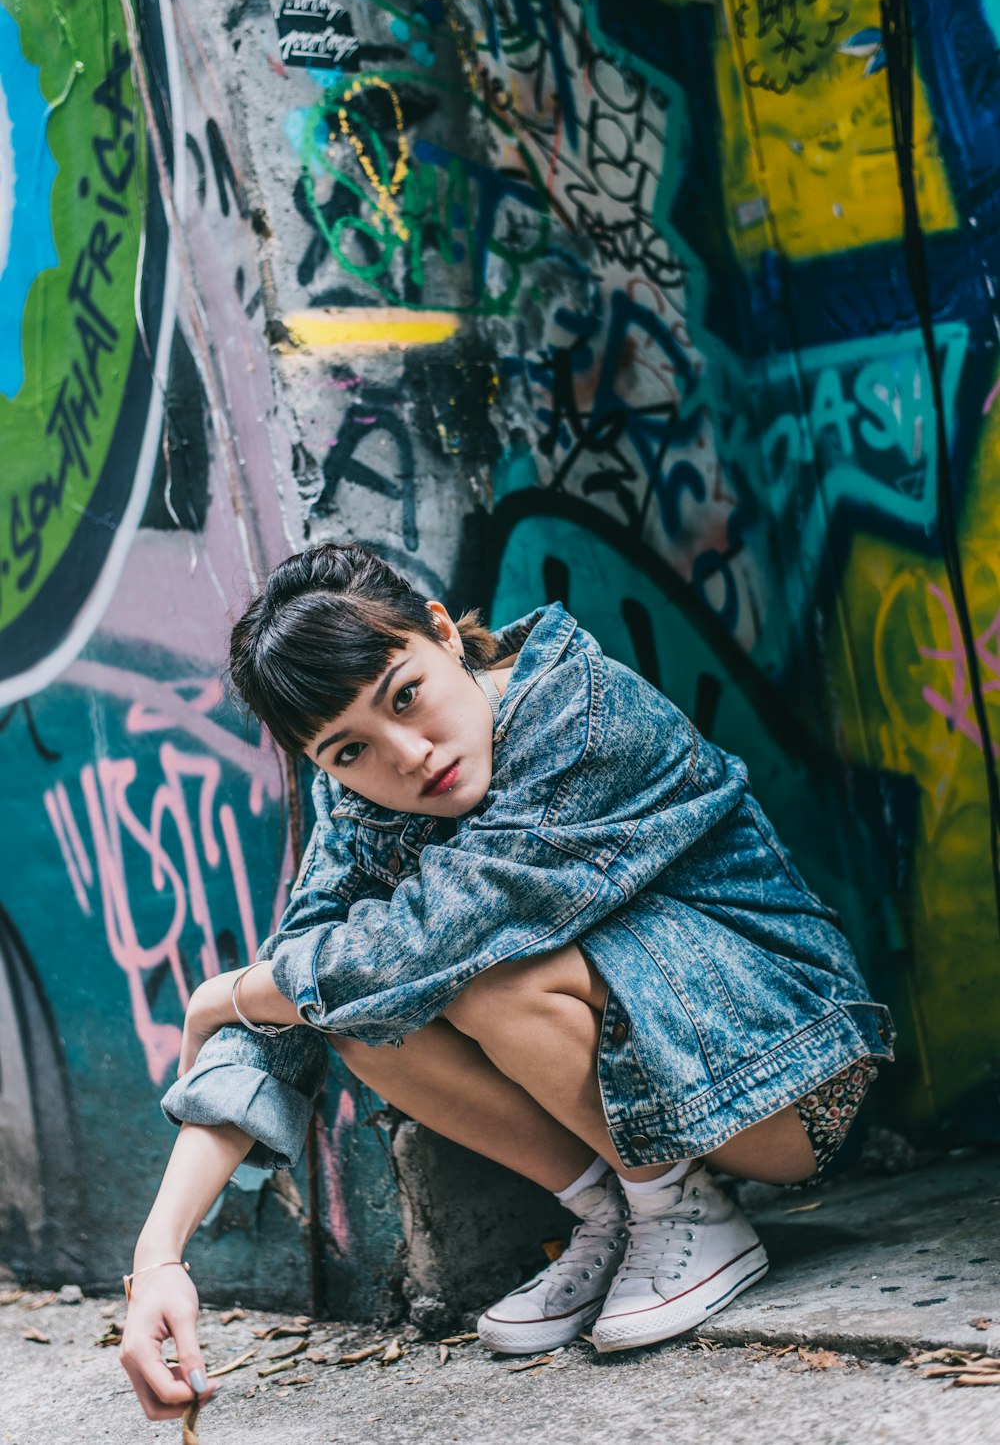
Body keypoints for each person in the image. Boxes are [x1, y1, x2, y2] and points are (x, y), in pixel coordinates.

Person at [120, 541, 894, 1419]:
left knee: (474, 973)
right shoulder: (364, 809)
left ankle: (682, 1212)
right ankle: (619, 1215)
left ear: (444, 634)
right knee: (344, 1009)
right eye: (348, 751)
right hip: (672, 1081)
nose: (407, 755)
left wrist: (221, 993)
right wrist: (159, 1258)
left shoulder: (581, 718)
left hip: (793, 1073)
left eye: (405, 695)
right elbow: (303, 1001)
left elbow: (424, 943)